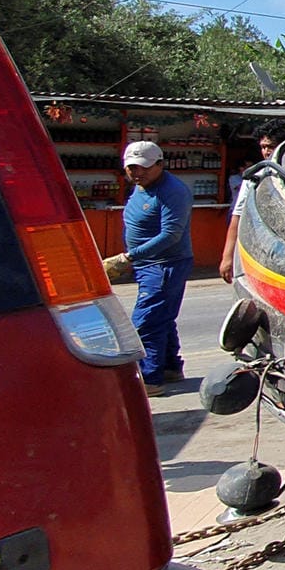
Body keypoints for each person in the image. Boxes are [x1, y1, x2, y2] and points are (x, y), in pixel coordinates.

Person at [102, 141, 194, 388]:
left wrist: (128, 258)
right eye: (131, 168)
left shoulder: (172, 191)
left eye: (144, 168)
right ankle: (169, 368)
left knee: (147, 321)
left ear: (160, 165)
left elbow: (170, 235)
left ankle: (150, 380)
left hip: (165, 265)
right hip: (148, 265)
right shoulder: (142, 186)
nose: (137, 173)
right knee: (162, 317)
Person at [220, 133, 277, 283]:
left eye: (271, 146)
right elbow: (237, 216)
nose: (266, 151)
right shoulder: (254, 177)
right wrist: (227, 256)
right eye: (263, 147)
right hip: (257, 251)